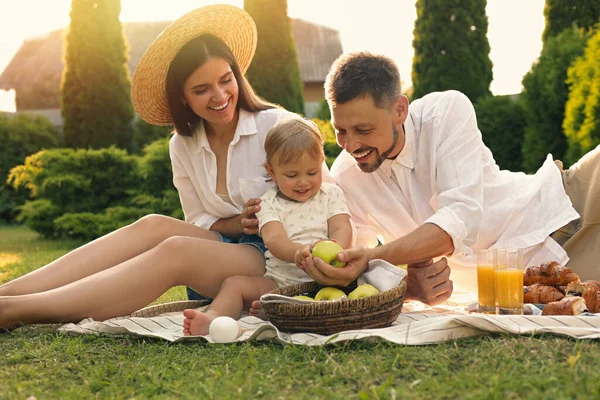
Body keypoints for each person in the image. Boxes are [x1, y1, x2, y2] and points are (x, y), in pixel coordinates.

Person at [0, 5, 308, 331]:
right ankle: (6, 295)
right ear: (183, 97)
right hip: (225, 249)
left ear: (237, 77)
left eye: (225, 80)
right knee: (153, 226)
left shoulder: (279, 126)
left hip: (279, 259)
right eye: (201, 89)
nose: (219, 96)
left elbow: (327, 201)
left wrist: (272, 218)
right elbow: (202, 221)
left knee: (177, 249)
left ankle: (17, 310)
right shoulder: (183, 143)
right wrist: (240, 222)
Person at [298, 51, 600, 305]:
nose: (351, 146)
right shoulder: (346, 178)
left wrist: (375, 255)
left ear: (399, 110)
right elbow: (356, 269)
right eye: (340, 132)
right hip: (528, 281)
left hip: (563, 205)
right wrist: (408, 289)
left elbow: (459, 217)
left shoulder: (444, 112)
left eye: (363, 130)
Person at [182, 118, 352, 336]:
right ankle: (213, 318)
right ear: (271, 172)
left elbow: (342, 227)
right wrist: (297, 252)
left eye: (312, 172)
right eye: (292, 175)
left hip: (327, 279)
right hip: (278, 283)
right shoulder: (268, 203)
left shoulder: (331, 194)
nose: (303, 182)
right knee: (235, 285)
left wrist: (336, 247)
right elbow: (274, 239)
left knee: (339, 300)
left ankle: (278, 311)